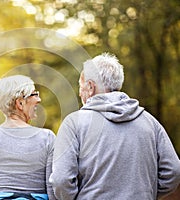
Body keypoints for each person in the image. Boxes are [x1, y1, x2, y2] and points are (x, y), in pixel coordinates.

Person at [49, 53, 180, 199]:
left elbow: (61, 180)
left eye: (81, 86)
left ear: (91, 87)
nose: (80, 93)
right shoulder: (149, 121)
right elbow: (174, 171)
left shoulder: (74, 123)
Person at [0, 75, 56, 200]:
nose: (39, 99)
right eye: (34, 94)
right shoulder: (47, 138)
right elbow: (54, 192)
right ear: (20, 103)